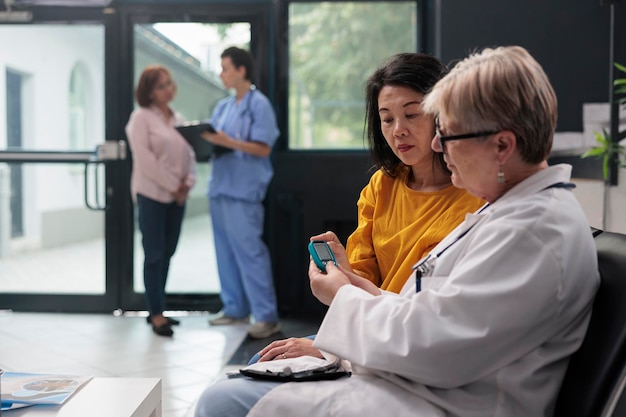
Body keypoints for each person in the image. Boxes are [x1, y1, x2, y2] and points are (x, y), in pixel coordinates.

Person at [194, 45, 600, 417]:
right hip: (414, 381)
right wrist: (353, 286)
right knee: (241, 384)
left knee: (223, 401)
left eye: (450, 134)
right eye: (388, 119)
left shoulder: (530, 233)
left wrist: (341, 297)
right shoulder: (511, 214)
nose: (440, 146)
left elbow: (432, 346)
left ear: (502, 146)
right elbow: (427, 314)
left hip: (437, 400)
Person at [249, 53, 484, 363]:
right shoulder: (381, 185)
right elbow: (362, 278)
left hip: (416, 341)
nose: (398, 130)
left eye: (412, 114)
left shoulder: (476, 196)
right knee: (261, 363)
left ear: (444, 115)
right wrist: (342, 274)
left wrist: (331, 345)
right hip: (368, 326)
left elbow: (443, 317)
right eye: (387, 119)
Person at [201, 47, 281, 339]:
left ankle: (266, 316)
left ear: (241, 70)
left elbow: (263, 147)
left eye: (225, 68)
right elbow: (215, 142)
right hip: (220, 187)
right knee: (224, 252)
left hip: (243, 190)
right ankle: (234, 309)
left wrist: (226, 141)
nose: (221, 74)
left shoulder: (259, 105)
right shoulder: (222, 107)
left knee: (250, 253)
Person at [125, 65, 196, 337]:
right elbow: (146, 162)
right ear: (149, 92)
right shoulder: (140, 118)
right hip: (152, 197)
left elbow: (190, 155)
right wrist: (172, 186)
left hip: (177, 198)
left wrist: (186, 185)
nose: (169, 89)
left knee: (167, 253)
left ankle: (159, 309)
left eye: (169, 83)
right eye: (161, 85)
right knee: (154, 255)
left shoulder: (177, 118)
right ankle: (155, 314)